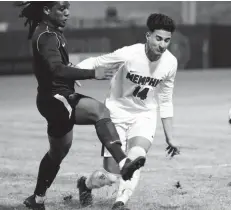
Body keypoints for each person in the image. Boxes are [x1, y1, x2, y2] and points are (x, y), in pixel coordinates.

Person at [15, 2, 145, 210]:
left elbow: (55, 68)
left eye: (68, 7)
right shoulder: (46, 36)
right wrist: (94, 73)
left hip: (52, 99)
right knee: (99, 111)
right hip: (57, 99)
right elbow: (57, 69)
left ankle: (37, 200)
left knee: (57, 153)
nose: (67, 12)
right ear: (47, 10)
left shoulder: (50, 32)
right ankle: (123, 162)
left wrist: (72, 73)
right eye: (61, 8)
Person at [76, 13, 180, 210]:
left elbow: (165, 99)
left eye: (167, 40)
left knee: (137, 157)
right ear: (147, 36)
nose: (162, 45)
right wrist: (76, 72)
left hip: (144, 115)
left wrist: (170, 137)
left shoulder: (170, 63)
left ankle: (120, 204)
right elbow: (97, 62)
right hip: (115, 114)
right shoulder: (128, 54)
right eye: (158, 38)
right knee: (113, 175)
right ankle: (85, 184)